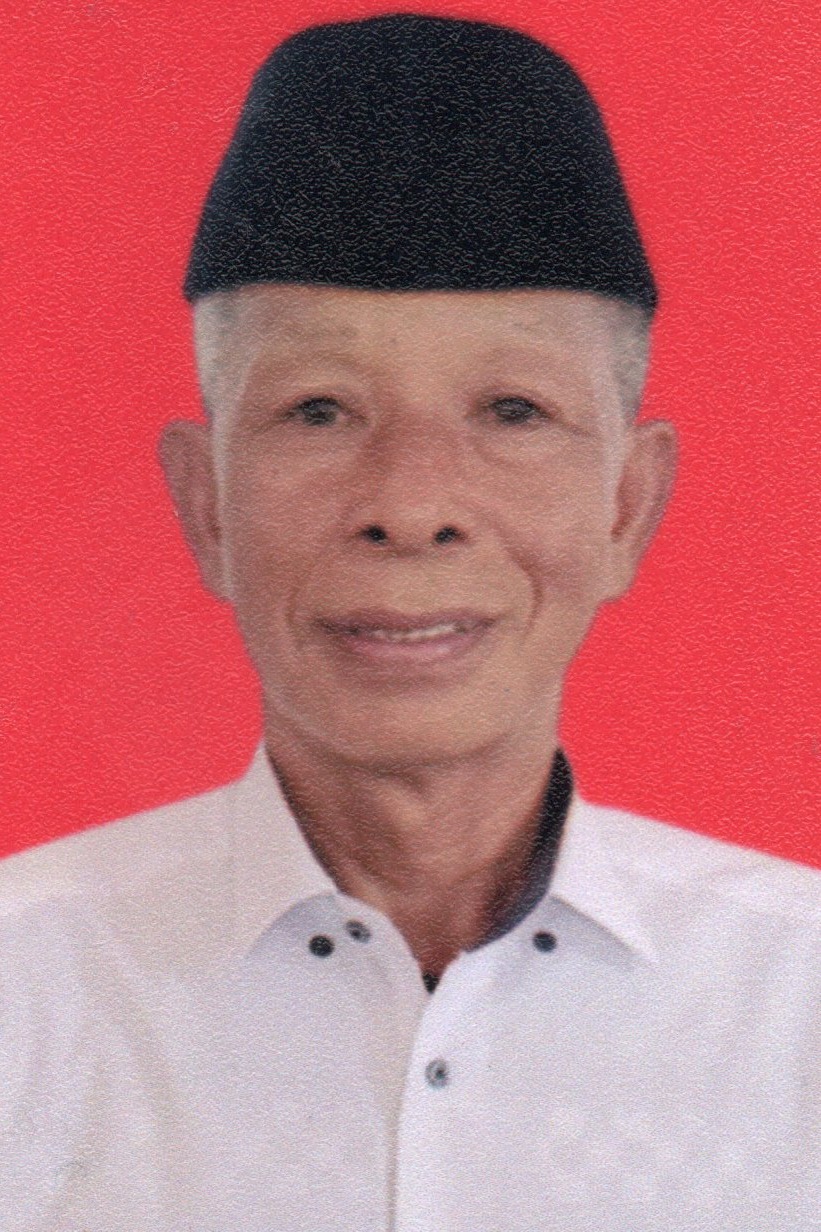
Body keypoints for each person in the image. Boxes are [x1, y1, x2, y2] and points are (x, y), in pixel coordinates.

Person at [1, 14, 818, 1230]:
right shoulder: (24, 993)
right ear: (205, 503)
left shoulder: (795, 1004)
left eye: (511, 409)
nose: (411, 503)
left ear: (627, 507)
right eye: (319, 410)